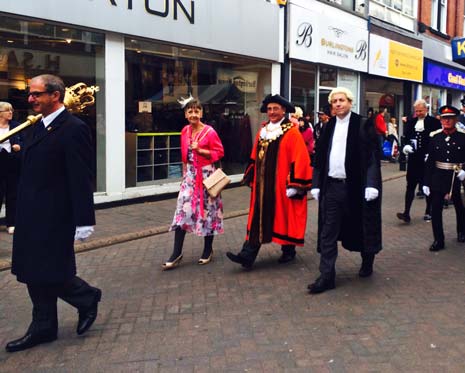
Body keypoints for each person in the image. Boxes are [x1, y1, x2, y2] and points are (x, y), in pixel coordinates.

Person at [6, 74, 101, 353]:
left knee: (50, 269)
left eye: (36, 94)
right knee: (31, 270)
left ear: (55, 96)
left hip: (54, 215)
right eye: (30, 94)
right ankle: (45, 326)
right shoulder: (35, 126)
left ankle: (86, 298)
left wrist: (84, 220)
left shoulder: (73, 128)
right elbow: (29, 164)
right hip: (30, 213)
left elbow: (80, 176)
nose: (30, 99)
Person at [308, 87, 382, 294]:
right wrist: (316, 184)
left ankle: (367, 261)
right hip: (332, 187)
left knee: (363, 226)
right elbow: (320, 157)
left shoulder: (363, 124)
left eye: (342, 100)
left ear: (350, 102)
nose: (338, 104)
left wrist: (372, 184)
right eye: (334, 101)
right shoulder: (328, 125)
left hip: (356, 187)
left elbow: (372, 158)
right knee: (328, 231)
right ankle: (326, 276)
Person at [226, 94, 312, 268]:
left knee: (284, 216)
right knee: (257, 217)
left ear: (283, 111)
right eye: (270, 109)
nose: (272, 112)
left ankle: (288, 251)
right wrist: (251, 177)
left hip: (281, 186)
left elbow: (301, 158)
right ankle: (247, 255)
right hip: (261, 186)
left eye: (276, 109)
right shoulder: (263, 131)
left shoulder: (291, 132)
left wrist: (295, 184)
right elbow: (254, 156)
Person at [163, 98, 225, 269]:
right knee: (182, 211)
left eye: (197, 111)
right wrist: (184, 173)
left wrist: (201, 150)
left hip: (206, 176)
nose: (193, 114)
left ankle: (207, 250)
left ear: (202, 113)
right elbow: (184, 154)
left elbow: (219, 152)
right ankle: (176, 253)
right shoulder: (184, 131)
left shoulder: (210, 132)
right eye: (190, 111)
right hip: (190, 176)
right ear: (185, 114)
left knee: (208, 212)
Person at [422, 105, 465, 251]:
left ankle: (461, 231)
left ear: (455, 119)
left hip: (457, 176)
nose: (446, 121)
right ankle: (438, 240)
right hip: (438, 176)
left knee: (460, 205)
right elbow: (430, 161)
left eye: (450, 118)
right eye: (444, 118)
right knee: (436, 208)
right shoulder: (435, 137)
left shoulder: (462, 137)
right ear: (440, 120)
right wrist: (426, 182)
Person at [396, 99, 441, 223]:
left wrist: (432, 153)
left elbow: (438, 140)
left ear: (426, 109)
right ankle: (406, 212)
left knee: (428, 186)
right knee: (410, 185)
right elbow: (405, 137)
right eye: (416, 111)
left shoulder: (434, 122)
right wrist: (405, 147)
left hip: (428, 159)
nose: (418, 113)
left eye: (420, 110)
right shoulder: (411, 122)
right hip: (414, 159)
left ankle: (428, 211)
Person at [0, 102, 22, 234]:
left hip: (12, 163)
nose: (10, 113)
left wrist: (19, 147)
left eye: (11, 111)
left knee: (12, 194)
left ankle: (11, 223)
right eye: (7, 111)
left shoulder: (16, 126)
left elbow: (25, 141)